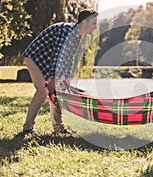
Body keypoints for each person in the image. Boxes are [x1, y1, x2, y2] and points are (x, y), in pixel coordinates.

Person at [21, 9, 98, 137]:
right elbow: (59, 55)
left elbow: (70, 58)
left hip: (46, 61)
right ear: (85, 23)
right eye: (94, 23)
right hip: (34, 58)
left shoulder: (77, 35)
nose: (96, 27)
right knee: (43, 91)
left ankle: (58, 127)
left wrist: (66, 77)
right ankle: (28, 128)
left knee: (56, 91)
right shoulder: (67, 31)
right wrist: (53, 78)